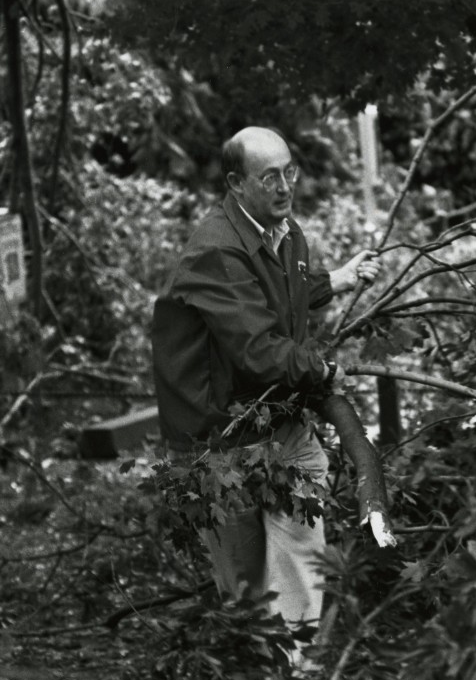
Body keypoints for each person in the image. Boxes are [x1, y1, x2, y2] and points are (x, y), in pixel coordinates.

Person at [152, 126, 380, 648]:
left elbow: (281, 292)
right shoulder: (214, 251)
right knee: (248, 592)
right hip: (220, 444)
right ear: (236, 183)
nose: (284, 186)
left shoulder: (285, 231)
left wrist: (334, 281)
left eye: (289, 172)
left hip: (282, 425)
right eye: (269, 176)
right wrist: (323, 372)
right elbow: (257, 347)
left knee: (301, 558)